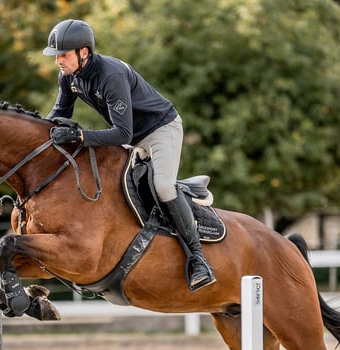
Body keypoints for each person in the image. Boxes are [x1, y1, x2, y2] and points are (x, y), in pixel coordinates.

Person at [43, 19, 216, 291]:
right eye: (56, 56)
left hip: (160, 130)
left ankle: (198, 259)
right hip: (131, 138)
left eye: (63, 55)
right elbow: (59, 115)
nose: (58, 62)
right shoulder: (69, 77)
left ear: (83, 52)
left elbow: (122, 134)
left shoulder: (110, 75)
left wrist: (79, 136)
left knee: (162, 187)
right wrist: (38, 137)